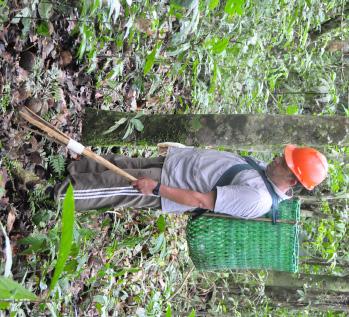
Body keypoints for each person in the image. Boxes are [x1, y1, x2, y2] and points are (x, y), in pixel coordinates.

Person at [55, 144, 328, 218]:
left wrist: (158, 188)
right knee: (116, 165)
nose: (277, 160)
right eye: (282, 156)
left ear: (292, 181)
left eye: (284, 163)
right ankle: (69, 171)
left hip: (166, 185)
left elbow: (202, 201)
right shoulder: (265, 171)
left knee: (109, 187)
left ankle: (54, 195)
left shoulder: (257, 199)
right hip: (172, 165)